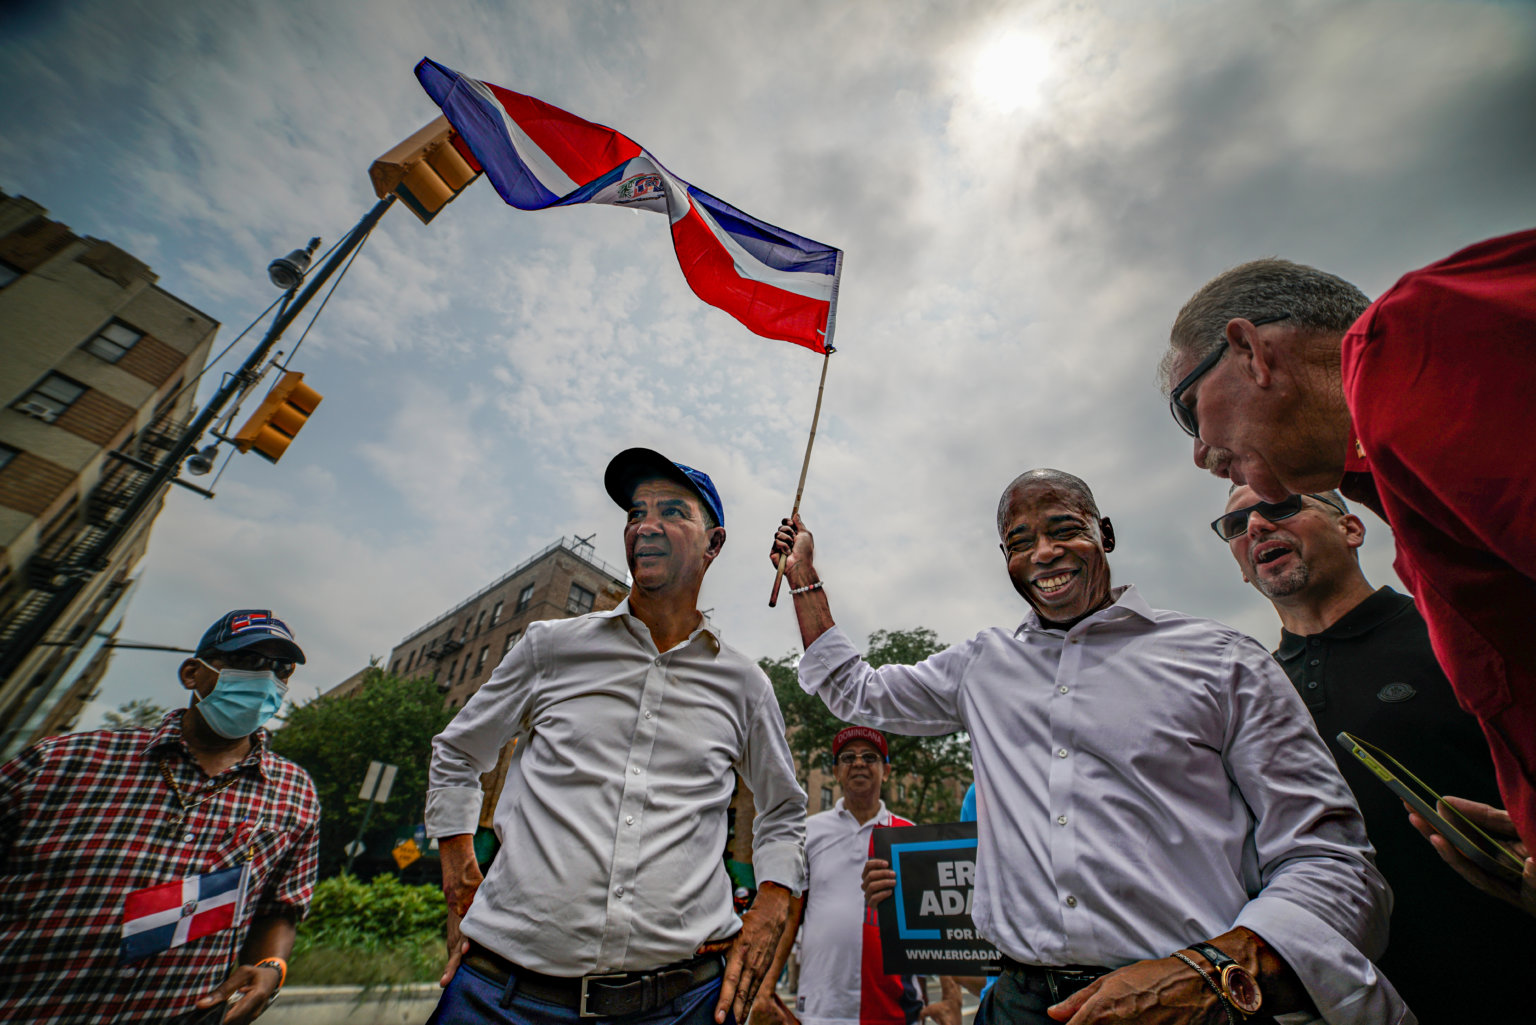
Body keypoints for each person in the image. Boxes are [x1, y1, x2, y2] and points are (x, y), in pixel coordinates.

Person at [771, 469, 1408, 1025]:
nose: (1044, 553)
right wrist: (804, 575)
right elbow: (855, 691)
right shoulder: (982, 665)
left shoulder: (1220, 661)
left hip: (1187, 1004)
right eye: (1020, 542)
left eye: (1063, 529)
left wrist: (1208, 975)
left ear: (1104, 532)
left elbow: (1332, 862)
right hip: (1019, 1004)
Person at [1158, 231, 1536, 915]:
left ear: (1249, 351)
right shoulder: (1399, 499)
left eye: (1189, 409)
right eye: (1234, 526)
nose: (1199, 454)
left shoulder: (1423, 337)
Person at [426, 447, 808, 1025]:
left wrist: (773, 901)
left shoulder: (743, 684)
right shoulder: (550, 647)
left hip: (681, 1004)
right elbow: (457, 753)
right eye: (635, 512)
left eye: (672, 511)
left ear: (714, 543)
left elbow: (782, 809)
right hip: (501, 998)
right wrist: (459, 870)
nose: (646, 525)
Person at [1216, 485, 1536, 1020]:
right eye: (1236, 525)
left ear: (1352, 529)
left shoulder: (1459, 634)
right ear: (1244, 570)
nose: (1255, 528)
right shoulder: (1247, 697)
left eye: (1279, 507)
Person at [0, 609, 319, 1024]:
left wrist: (272, 969)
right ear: (192, 673)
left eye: (281, 669)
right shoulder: (62, 761)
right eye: (248, 661)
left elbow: (280, 907)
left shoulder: (295, 792)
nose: (265, 680)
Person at [752, 727, 961, 1025]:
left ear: (886, 771)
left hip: (897, 1009)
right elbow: (789, 916)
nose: (859, 762)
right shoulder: (808, 832)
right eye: (848, 757)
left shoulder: (911, 834)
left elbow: (936, 920)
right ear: (836, 771)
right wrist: (765, 988)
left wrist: (951, 997)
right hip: (821, 1009)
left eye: (870, 757)